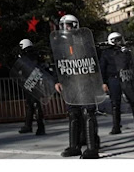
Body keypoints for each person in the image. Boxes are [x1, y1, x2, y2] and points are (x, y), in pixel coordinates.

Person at [53, 14, 101, 159]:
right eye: (63, 25)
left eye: (68, 25)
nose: (65, 28)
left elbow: (94, 61)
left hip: (85, 81)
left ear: (75, 25)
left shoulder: (85, 41)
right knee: (73, 113)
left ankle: (92, 148)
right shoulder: (61, 44)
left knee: (88, 112)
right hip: (70, 82)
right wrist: (57, 80)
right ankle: (74, 146)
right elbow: (58, 63)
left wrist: (99, 81)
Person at [100, 32, 134, 137]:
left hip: (126, 78)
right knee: (115, 104)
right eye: (116, 40)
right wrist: (104, 82)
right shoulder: (106, 53)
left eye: (119, 39)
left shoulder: (127, 51)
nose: (118, 42)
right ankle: (116, 127)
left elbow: (133, 64)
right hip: (113, 79)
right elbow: (102, 68)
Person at [17, 39, 45, 136]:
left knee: (34, 104)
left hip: (30, 81)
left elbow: (22, 69)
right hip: (35, 81)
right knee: (31, 104)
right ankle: (28, 125)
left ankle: (39, 127)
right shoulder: (36, 55)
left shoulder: (26, 56)